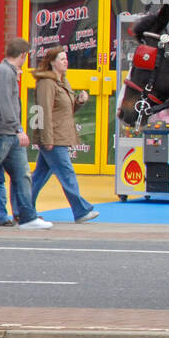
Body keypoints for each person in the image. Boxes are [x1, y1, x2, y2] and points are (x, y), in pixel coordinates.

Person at [0, 38, 52, 230]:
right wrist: (18, 128)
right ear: (23, 55)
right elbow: (6, 103)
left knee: (23, 174)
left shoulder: (6, 72)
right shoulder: (4, 72)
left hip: (8, 135)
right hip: (1, 134)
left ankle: (27, 217)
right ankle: (27, 216)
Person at [30, 46, 98, 224]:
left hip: (60, 134)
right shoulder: (46, 83)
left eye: (66, 58)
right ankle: (81, 210)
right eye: (62, 59)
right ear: (52, 62)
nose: (66, 61)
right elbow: (44, 111)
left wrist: (79, 102)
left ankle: (24, 208)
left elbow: (66, 110)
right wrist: (47, 139)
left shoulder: (63, 81)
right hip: (53, 137)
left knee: (39, 176)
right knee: (67, 173)